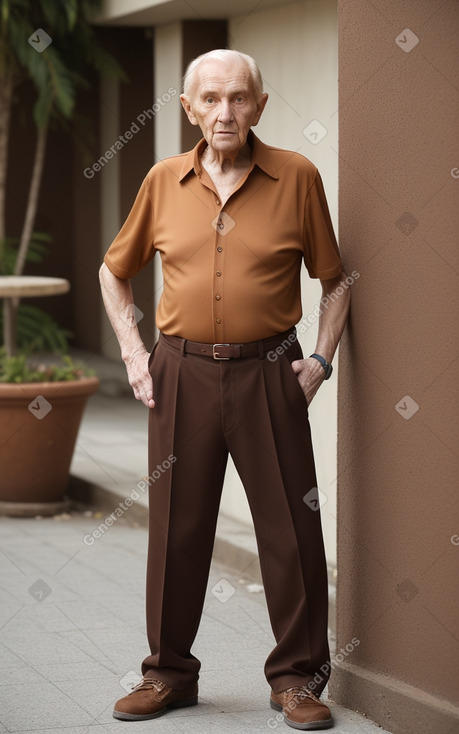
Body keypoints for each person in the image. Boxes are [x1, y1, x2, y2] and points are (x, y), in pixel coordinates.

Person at [99, 48, 350, 731]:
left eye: (238, 98)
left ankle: (297, 679)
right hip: (180, 372)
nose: (225, 112)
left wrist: (320, 362)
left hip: (271, 372)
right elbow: (113, 269)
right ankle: (168, 674)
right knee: (176, 529)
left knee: (290, 530)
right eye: (209, 99)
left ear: (260, 106)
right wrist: (132, 350)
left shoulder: (297, 178)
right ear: (188, 109)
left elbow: (335, 281)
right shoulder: (160, 181)